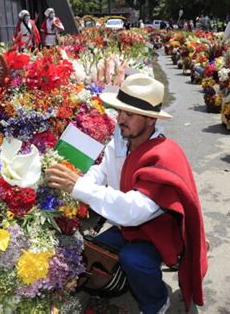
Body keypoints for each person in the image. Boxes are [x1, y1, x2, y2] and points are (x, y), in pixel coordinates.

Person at [46, 73, 208, 314]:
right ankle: (134, 282)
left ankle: (155, 301)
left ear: (151, 119)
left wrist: (78, 187)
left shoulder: (164, 156)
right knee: (95, 249)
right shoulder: (122, 140)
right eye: (120, 111)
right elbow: (100, 171)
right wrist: (77, 183)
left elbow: (134, 212)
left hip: (159, 233)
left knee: (134, 259)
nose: (120, 118)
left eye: (129, 114)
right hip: (129, 225)